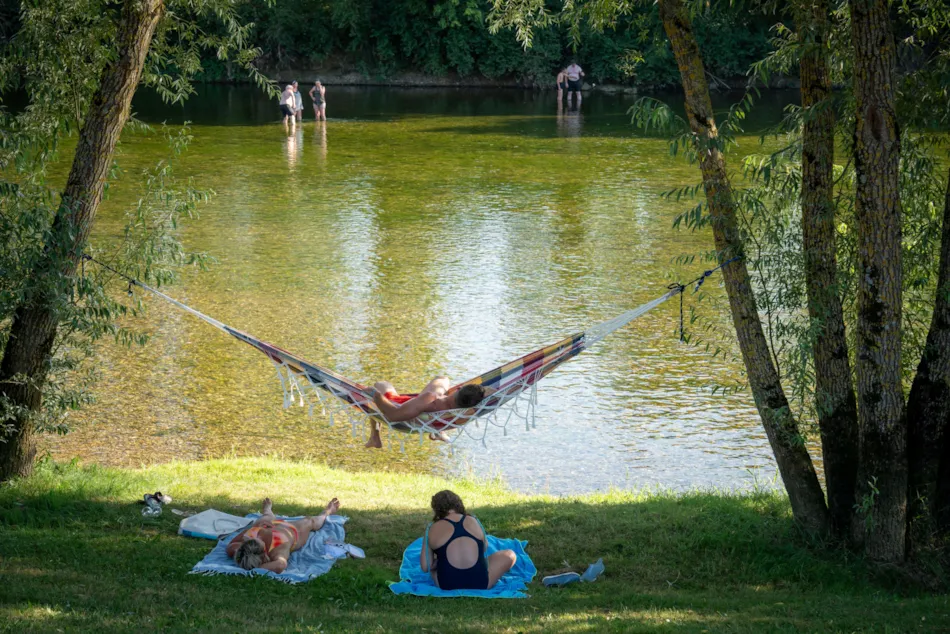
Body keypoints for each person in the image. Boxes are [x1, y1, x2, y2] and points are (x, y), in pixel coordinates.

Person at [420, 490, 517, 591]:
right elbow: (484, 549)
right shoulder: (474, 520)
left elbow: (426, 567)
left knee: (435, 565)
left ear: (436, 509)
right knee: (510, 555)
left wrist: (438, 560)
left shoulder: (431, 529)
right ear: (458, 504)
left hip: (446, 584)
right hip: (480, 583)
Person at [365, 377, 489, 449]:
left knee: (380, 385)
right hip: (434, 414)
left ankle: (375, 436)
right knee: (443, 379)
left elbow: (393, 416)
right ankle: (439, 431)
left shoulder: (431, 399)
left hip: (395, 403)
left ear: (458, 389)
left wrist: (376, 395)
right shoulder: (464, 411)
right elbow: (492, 391)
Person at [226, 496, 340, 572]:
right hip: (293, 531)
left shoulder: (249, 538)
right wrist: (257, 568)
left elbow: (230, 546)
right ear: (264, 555)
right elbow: (281, 565)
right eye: (258, 539)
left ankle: (268, 511)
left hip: (269, 525)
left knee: (265, 519)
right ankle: (327, 512)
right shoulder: (277, 550)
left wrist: (258, 528)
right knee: (310, 521)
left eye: (251, 539)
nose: (258, 535)